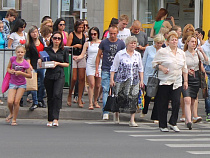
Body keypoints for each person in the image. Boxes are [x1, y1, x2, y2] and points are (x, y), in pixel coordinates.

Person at [152, 31, 188, 132]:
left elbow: (184, 68)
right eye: (172, 40)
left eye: (176, 39)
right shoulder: (163, 52)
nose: (174, 41)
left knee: (176, 102)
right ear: (168, 41)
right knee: (163, 102)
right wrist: (162, 68)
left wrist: (185, 81)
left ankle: (173, 122)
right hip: (165, 80)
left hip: (177, 81)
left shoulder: (181, 53)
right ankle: (162, 124)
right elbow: (154, 64)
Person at [110, 36, 144, 126]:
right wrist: (112, 79)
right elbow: (114, 67)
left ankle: (132, 120)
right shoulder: (120, 54)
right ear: (127, 44)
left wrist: (141, 81)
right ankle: (116, 114)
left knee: (133, 98)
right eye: (131, 43)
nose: (133, 45)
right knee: (120, 97)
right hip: (122, 80)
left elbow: (140, 69)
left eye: (134, 43)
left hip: (134, 80)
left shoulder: (138, 55)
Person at [39, 31, 69, 127]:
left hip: (59, 74)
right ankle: (50, 118)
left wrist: (57, 63)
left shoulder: (64, 50)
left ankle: (56, 118)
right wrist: (40, 60)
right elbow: (42, 59)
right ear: (52, 39)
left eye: (59, 38)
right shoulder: (47, 49)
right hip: (49, 74)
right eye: (55, 38)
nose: (56, 40)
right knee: (50, 96)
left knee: (57, 94)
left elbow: (67, 63)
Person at [95, 26, 125, 120]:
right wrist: (97, 69)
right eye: (110, 33)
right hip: (106, 68)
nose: (112, 35)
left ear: (117, 33)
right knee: (105, 90)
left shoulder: (121, 43)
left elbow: (124, 56)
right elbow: (98, 55)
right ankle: (105, 111)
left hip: (117, 70)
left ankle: (116, 110)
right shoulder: (104, 42)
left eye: (114, 33)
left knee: (117, 91)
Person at [182, 35, 208, 130]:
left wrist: (202, 51)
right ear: (187, 42)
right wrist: (187, 70)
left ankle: (190, 118)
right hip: (186, 77)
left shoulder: (197, 53)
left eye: (195, 42)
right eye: (192, 42)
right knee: (187, 99)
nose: (194, 44)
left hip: (196, 78)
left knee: (193, 100)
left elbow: (206, 61)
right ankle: (188, 120)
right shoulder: (183, 54)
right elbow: (180, 65)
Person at [73, 27, 101, 110]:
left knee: (98, 85)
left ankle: (96, 100)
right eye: (91, 34)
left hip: (99, 64)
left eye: (95, 34)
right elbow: (82, 54)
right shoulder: (87, 43)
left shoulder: (101, 43)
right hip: (90, 64)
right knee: (91, 84)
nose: (93, 36)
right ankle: (91, 103)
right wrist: (78, 57)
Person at [5, 46, 32, 125]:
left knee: (16, 102)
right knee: (10, 101)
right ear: (16, 52)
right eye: (18, 52)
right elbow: (8, 68)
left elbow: (30, 75)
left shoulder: (25, 63)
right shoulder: (12, 59)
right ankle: (11, 113)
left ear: (24, 53)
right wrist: (11, 71)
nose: (20, 54)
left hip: (21, 84)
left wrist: (21, 73)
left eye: (22, 52)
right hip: (13, 82)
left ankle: (14, 119)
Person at [142, 34, 165, 121]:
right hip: (149, 74)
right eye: (158, 43)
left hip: (159, 74)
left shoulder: (164, 50)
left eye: (161, 43)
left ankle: (155, 116)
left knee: (158, 96)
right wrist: (142, 73)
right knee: (148, 94)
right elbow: (144, 61)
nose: (159, 44)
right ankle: (144, 110)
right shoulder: (148, 49)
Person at [25, 25, 46, 111]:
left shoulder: (41, 40)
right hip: (33, 64)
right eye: (33, 32)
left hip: (41, 63)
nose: (34, 34)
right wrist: (29, 65)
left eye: (36, 32)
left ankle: (41, 99)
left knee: (43, 82)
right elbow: (28, 56)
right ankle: (35, 101)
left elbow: (44, 51)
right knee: (34, 84)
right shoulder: (29, 44)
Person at [67, 19, 86, 108]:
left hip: (81, 56)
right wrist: (75, 46)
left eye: (82, 27)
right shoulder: (72, 35)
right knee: (74, 78)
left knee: (82, 78)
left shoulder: (84, 35)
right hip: (73, 55)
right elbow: (67, 47)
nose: (81, 29)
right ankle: (70, 94)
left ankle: (79, 97)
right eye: (79, 27)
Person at [201, 30, 210, 121]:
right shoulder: (204, 47)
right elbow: (204, 61)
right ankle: (208, 112)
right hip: (207, 72)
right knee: (208, 93)